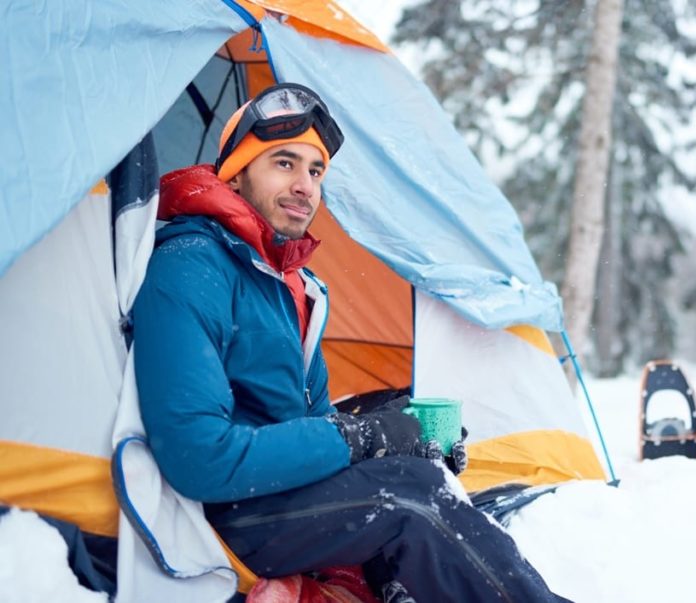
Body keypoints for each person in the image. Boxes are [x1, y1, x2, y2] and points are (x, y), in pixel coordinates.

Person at [132, 82, 566, 602]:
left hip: (277, 492)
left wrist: (392, 432)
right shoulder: (191, 266)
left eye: (315, 171)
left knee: (412, 463)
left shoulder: (292, 285)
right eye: (284, 164)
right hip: (224, 511)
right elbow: (197, 457)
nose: (305, 186)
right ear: (238, 172)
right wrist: (360, 440)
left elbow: (314, 425)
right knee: (408, 502)